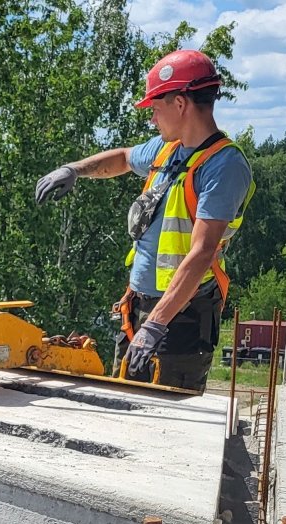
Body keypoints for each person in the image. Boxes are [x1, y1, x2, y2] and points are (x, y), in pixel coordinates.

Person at [34, 49, 254, 393]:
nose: (152, 118)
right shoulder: (168, 149)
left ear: (180, 103)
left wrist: (156, 326)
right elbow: (122, 158)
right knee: (124, 404)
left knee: (164, 423)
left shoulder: (223, 166)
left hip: (180, 319)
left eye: (155, 108)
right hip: (141, 307)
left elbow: (201, 252)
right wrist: (74, 169)